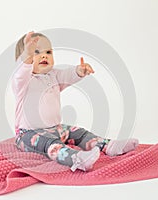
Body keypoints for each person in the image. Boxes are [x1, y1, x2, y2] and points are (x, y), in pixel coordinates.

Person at [12, 31, 138, 172]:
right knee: (50, 144)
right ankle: (76, 159)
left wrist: (79, 71)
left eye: (48, 52)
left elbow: (66, 75)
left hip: (55, 129)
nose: (43, 55)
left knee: (79, 133)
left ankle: (108, 146)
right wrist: (27, 57)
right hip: (28, 135)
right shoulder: (23, 81)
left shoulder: (53, 75)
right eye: (36, 52)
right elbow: (20, 74)